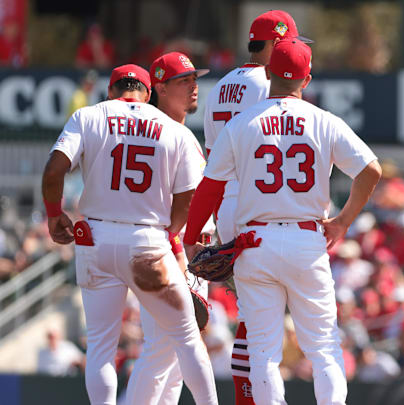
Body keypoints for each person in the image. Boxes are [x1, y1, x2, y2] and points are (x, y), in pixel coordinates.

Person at [183, 38, 381, 405]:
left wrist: (192, 237)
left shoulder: (243, 122)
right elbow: (371, 170)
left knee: (264, 354)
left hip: (255, 243)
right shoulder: (324, 120)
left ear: (269, 72)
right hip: (307, 240)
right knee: (323, 348)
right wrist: (342, 222)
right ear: (306, 80)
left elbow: (210, 188)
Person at [41, 64, 217, 405]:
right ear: (148, 94)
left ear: (111, 90)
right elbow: (189, 197)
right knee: (186, 337)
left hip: (95, 237)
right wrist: (172, 230)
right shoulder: (173, 129)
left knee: (101, 346)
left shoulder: (88, 116)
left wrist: (53, 215)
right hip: (148, 240)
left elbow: (53, 171)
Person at [202, 9, 310, 404]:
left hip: (229, 204)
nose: (295, 52)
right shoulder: (269, 83)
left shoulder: (220, 86)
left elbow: (213, 161)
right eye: (291, 43)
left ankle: (249, 397)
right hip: (258, 207)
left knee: (252, 319)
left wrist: (213, 218)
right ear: (277, 42)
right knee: (261, 324)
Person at [123, 52, 213, 405]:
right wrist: (179, 255)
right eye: (183, 81)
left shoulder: (171, 132)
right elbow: (166, 211)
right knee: (163, 350)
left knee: (175, 358)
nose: (193, 86)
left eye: (194, 78)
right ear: (159, 86)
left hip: (185, 251)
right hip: (172, 252)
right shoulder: (166, 134)